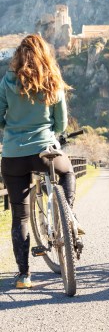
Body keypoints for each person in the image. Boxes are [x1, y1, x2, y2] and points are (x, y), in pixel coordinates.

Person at [0, 34, 80, 289]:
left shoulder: (7, 81)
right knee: (66, 173)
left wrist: (11, 127)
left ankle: (24, 275)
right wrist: (47, 130)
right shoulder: (53, 82)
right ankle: (66, 216)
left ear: (18, 56)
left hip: (13, 155)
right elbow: (61, 124)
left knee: (20, 217)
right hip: (44, 150)